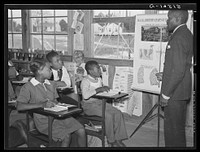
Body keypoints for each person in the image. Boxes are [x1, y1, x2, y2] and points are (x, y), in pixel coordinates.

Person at [16, 58, 86, 147]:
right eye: (48, 69)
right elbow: (19, 106)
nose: (51, 72)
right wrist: (42, 104)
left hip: (59, 116)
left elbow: (55, 100)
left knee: (81, 130)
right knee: (66, 136)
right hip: (44, 121)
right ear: (40, 71)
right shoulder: (28, 87)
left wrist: (58, 104)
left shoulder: (51, 84)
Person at [156, 10, 193, 147]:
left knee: (172, 134)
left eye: (169, 18)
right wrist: (164, 75)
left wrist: (166, 95)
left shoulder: (178, 37)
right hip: (181, 90)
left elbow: (178, 71)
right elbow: (180, 65)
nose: (167, 21)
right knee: (177, 131)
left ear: (177, 19)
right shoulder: (187, 34)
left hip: (174, 93)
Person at [80, 60, 128, 147]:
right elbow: (85, 95)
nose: (100, 70)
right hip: (89, 106)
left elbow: (101, 91)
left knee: (118, 113)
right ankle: (111, 140)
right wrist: (98, 89)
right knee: (108, 116)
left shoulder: (98, 79)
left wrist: (106, 89)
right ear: (90, 71)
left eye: (99, 68)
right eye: (97, 69)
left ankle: (118, 138)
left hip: (100, 103)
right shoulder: (85, 81)